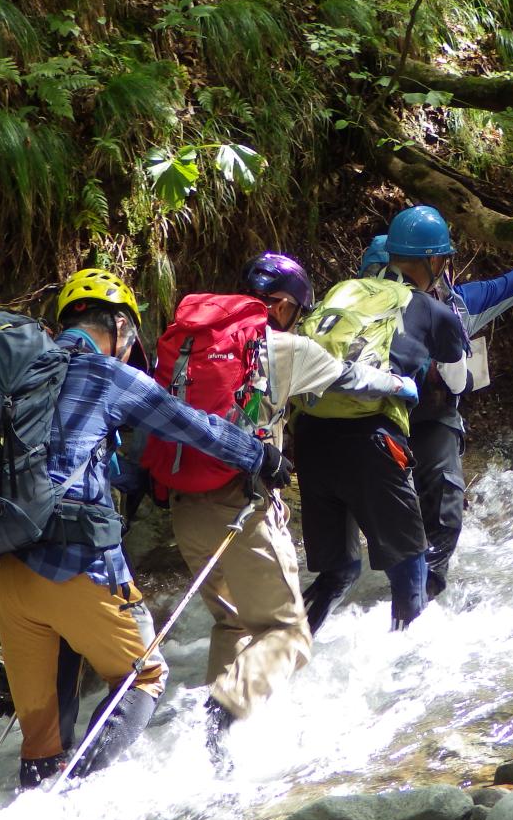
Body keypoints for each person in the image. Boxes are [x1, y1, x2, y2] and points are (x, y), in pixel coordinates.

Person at [0, 268, 290, 787]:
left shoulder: (23, 376)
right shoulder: (105, 374)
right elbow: (190, 424)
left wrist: (137, 477)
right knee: (143, 677)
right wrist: (258, 454)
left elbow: (67, 462)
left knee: (41, 743)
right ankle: (78, 796)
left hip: (7, 571)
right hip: (76, 565)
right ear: (122, 326)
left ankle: (40, 810)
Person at [161, 254, 418, 760]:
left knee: (234, 624)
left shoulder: (195, 342)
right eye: (297, 310)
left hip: (183, 503)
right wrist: (401, 386)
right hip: (241, 506)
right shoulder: (285, 347)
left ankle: (213, 757)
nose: (297, 319)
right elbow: (352, 378)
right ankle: (221, 712)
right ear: (281, 305)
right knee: (288, 633)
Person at [358, 210, 513, 597]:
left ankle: (426, 588)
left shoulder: (458, 305)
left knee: (442, 500)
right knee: (402, 512)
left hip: (427, 421)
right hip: (372, 424)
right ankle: (405, 586)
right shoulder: (357, 312)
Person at [295, 206, 469, 634]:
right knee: (408, 567)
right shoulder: (431, 309)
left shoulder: (346, 290)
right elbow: (457, 379)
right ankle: (406, 680)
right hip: (373, 443)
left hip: (310, 439)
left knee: (339, 573)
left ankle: (270, 667)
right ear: (434, 261)